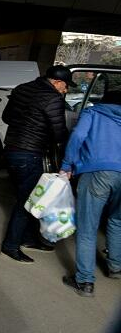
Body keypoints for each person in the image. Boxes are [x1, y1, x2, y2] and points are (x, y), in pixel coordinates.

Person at [0, 65, 73, 263]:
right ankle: (10, 246)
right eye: (65, 87)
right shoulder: (53, 98)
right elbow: (59, 133)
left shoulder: (22, 88)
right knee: (27, 202)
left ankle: (29, 239)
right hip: (29, 154)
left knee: (28, 196)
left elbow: (6, 117)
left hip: (12, 150)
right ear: (57, 82)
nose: (65, 91)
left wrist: (29, 122)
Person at [59, 90, 121, 297]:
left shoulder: (93, 113)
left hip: (97, 172)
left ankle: (85, 281)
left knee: (87, 227)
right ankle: (115, 267)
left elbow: (77, 136)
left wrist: (67, 164)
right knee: (117, 221)